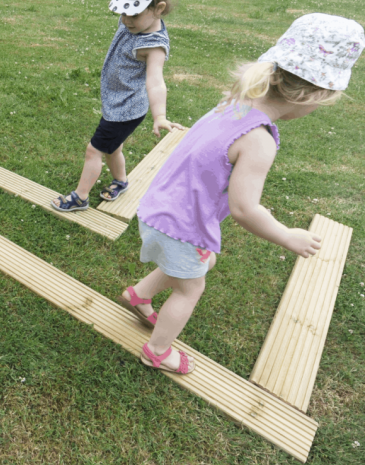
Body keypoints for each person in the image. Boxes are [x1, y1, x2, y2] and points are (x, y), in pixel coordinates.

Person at [119, 13, 364, 374]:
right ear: (312, 94)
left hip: (163, 206)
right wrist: (287, 236)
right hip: (181, 223)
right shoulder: (259, 141)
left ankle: (139, 296)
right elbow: (244, 210)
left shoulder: (233, 104)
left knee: (198, 263)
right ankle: (157, 350)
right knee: (190, 288)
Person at [52, 0, 183, 212]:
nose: (125, 20)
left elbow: (156, 82)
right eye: (122, 13)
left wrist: (160, 116)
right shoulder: (137, 22)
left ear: (158, 9)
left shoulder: (153, 45)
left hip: (125, 109)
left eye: (132, 15)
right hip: (118, 102)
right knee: (113, 148)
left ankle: (80, 198)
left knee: (94, 151)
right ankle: (120, 181)